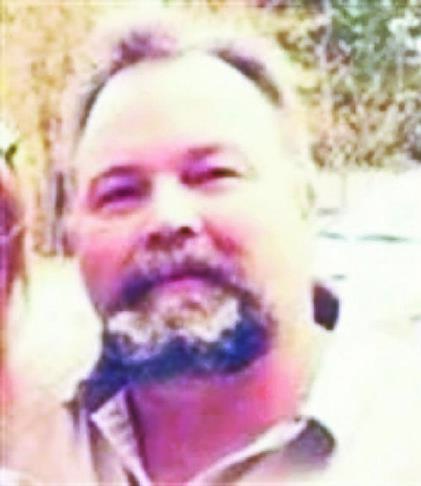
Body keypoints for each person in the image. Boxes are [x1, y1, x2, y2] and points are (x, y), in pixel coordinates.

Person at [7, 4, 421, 485]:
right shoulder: (23, 432)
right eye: (120, 192)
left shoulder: (400, 436)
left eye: (213, 174)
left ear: (304, 197)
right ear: (71, 231)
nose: (168, 219)